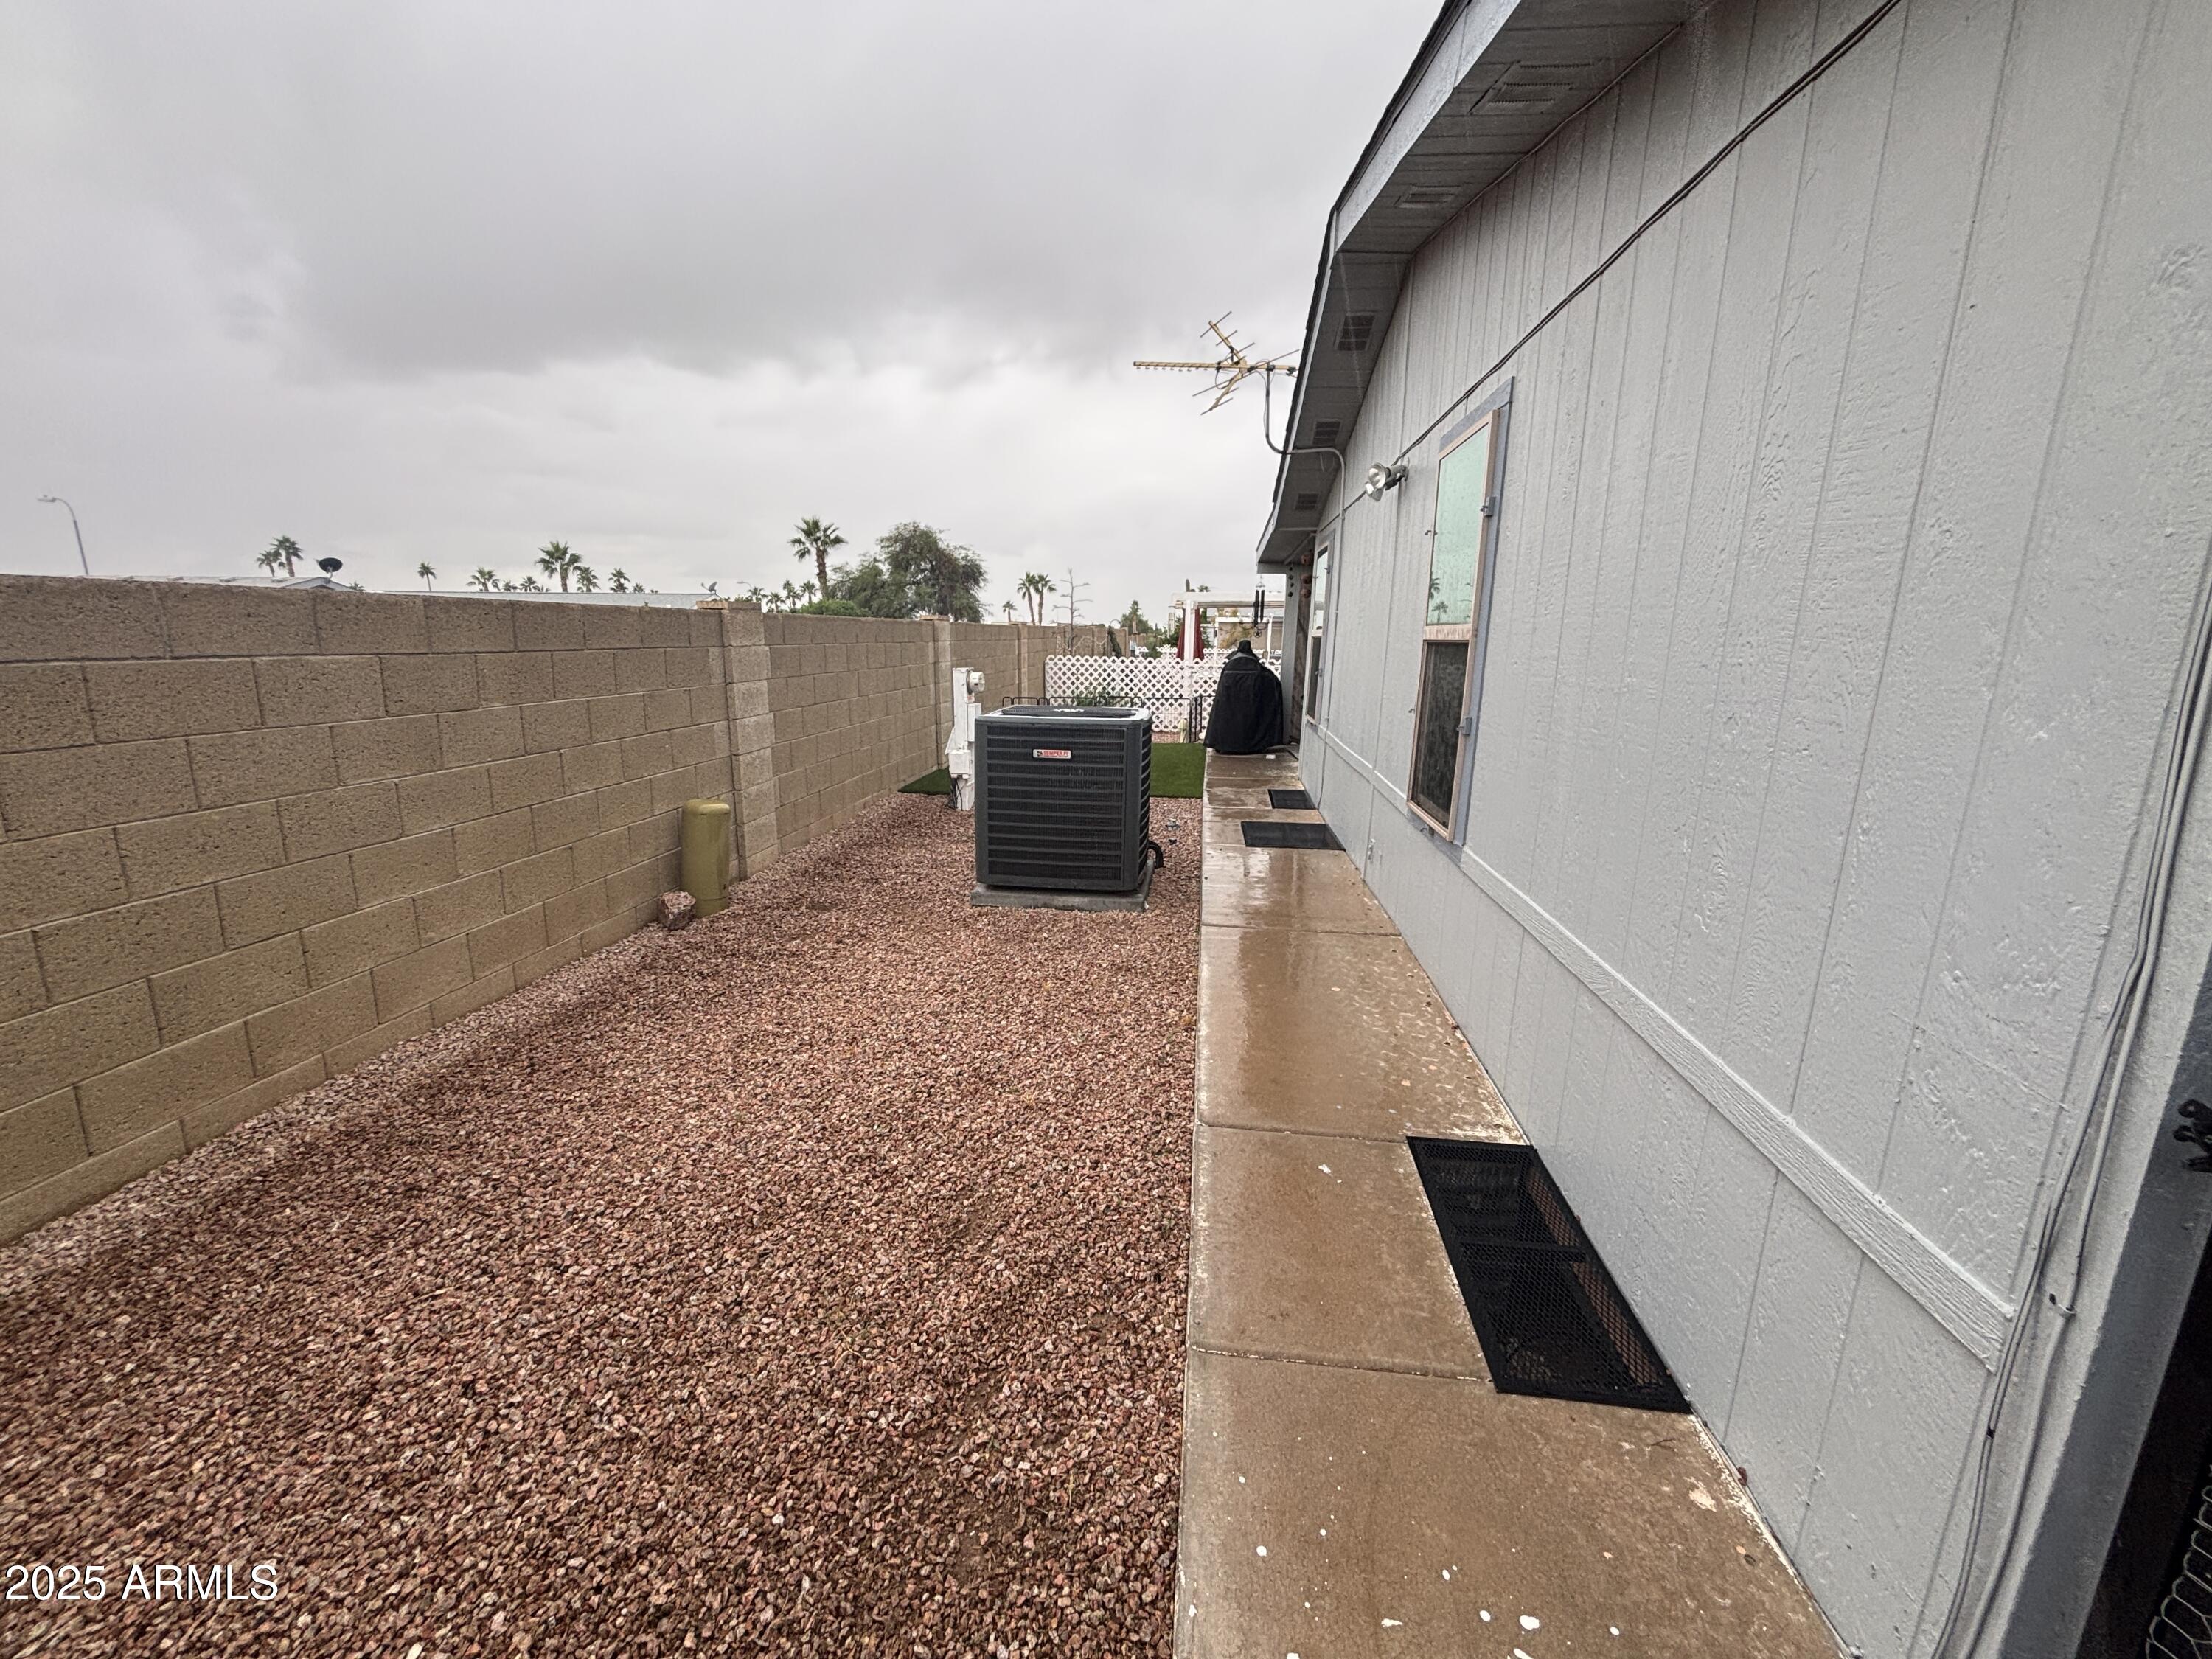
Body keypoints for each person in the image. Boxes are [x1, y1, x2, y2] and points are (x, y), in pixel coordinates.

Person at [1203, 639, 1286, 754]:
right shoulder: (1255, 665)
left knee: (1229, 722)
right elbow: (1271, 680)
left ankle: (1225, 745)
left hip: (1229, 704)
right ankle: (1250, 746)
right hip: (1251, 704)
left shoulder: (1230, 665)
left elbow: (1222, 688)